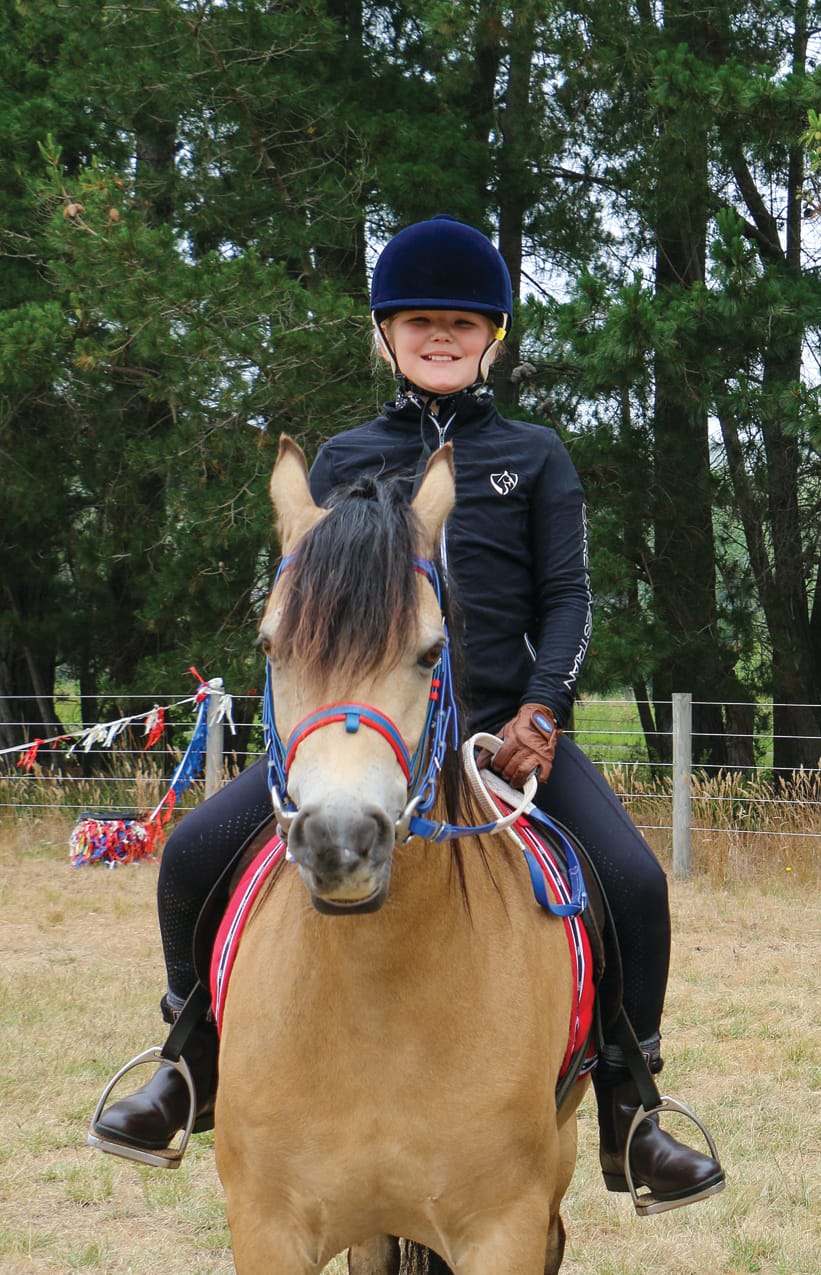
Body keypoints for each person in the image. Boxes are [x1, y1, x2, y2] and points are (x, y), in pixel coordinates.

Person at [88, 215, 724, 1213]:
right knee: (192, 853)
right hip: (365, 736)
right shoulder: (342, 459)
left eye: (462, 323)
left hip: (501, 739)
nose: (440, 336)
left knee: (637, 884)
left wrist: (541, 714)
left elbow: (569, 601)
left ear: (493, 337)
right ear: (384, 333)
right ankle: (186, 1065)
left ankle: (629, 1112)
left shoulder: (536, 457)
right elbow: (306, 613)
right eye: (419, 320)